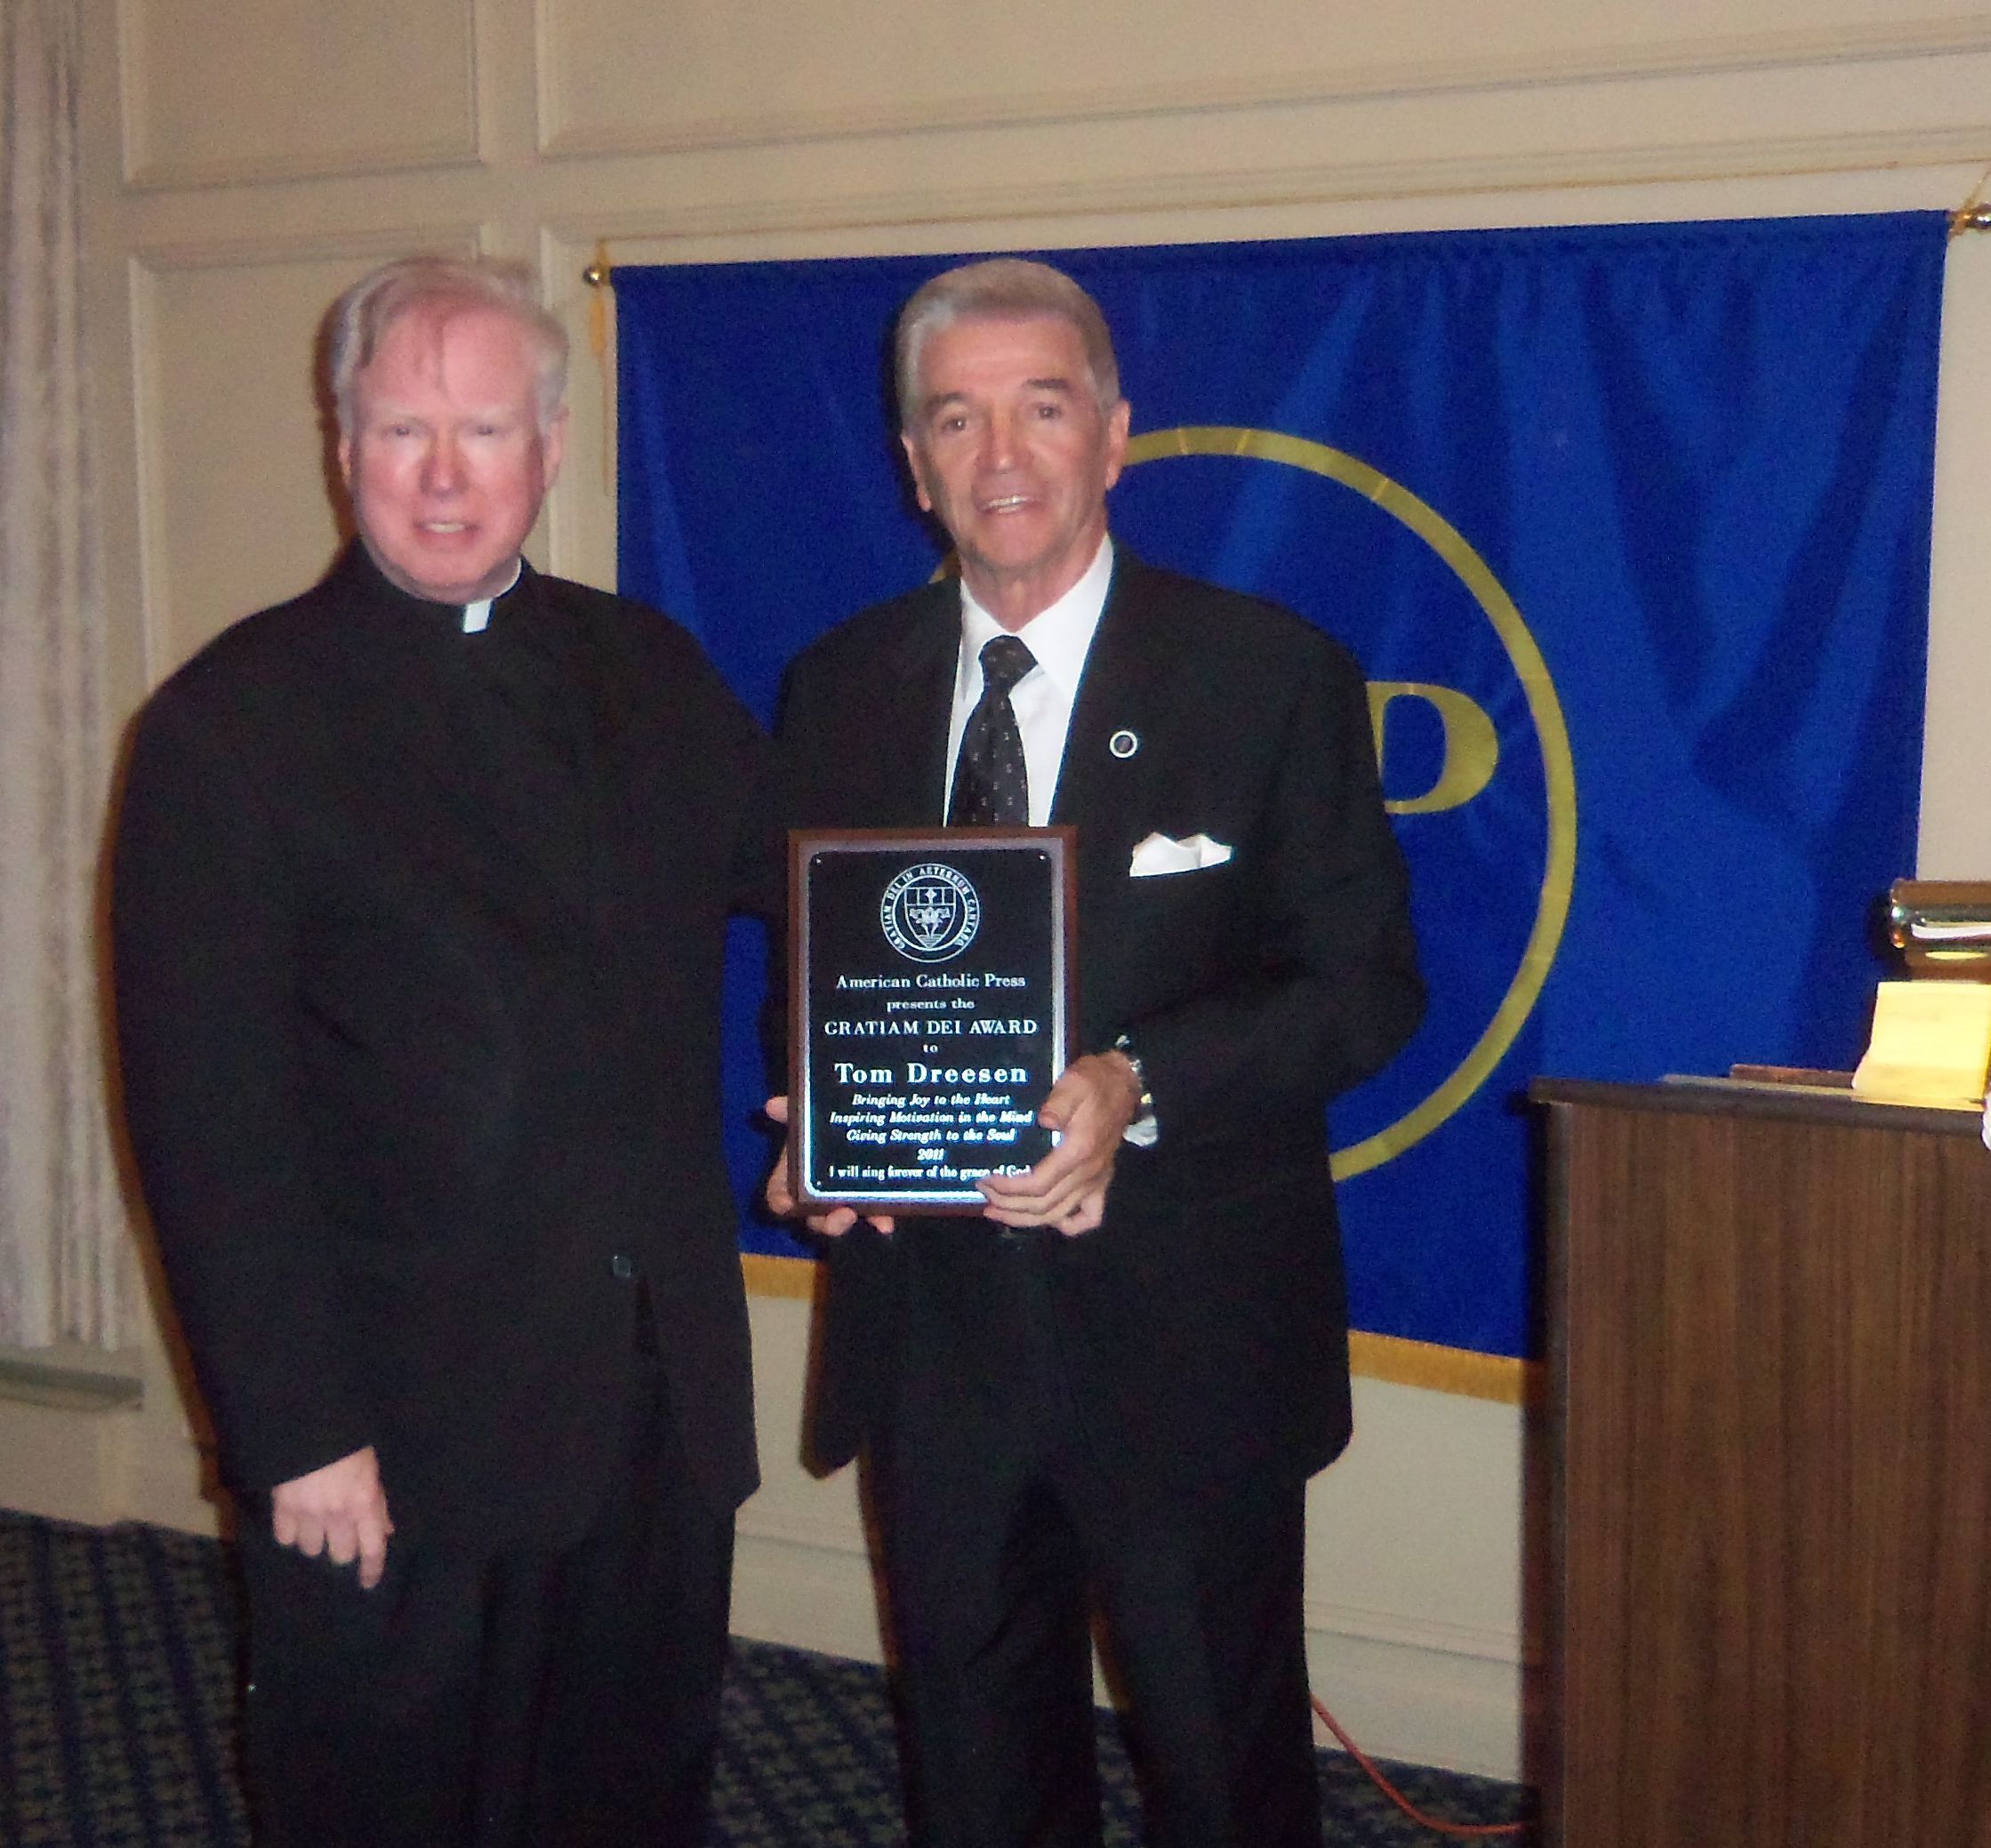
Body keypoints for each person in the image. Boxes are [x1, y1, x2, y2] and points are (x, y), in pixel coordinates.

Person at [112, 255, 774, 1847]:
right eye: (402, 428)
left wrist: (882, 1101)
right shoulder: (229, 725)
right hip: (391, 1430)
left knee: (627, 1796)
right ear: (342, 446)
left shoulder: (649, 673)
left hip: (648, 1405)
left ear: (551, 446)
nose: (444, 473)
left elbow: (823, 898)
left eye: (484, 429)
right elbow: (206, 1119)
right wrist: (295, 1426)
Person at [766, 258, 1425, 1848]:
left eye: (1042, 407)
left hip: (1185, 1343)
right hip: (937, 1345)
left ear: (1115, 435)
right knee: (976, 1781)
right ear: (912, 461)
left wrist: (1139, 1081)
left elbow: (1366, 989)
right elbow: (825, 972)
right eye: (956, 417)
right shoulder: (839, 687)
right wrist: (826, 1134)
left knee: (1221, 1774)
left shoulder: (1267, 677)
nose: (1002, 455)